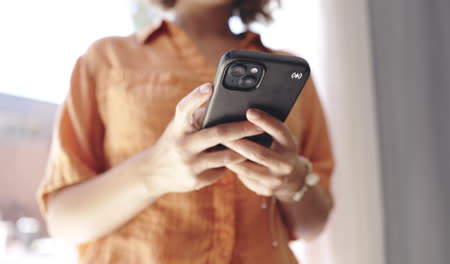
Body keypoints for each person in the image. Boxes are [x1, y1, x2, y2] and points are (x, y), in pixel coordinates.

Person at [37, 0, 334, 263]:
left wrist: (291, 181)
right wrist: (154, 172)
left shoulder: (292, 73)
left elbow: (314, 224)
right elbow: (63, 219)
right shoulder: (107, 59)